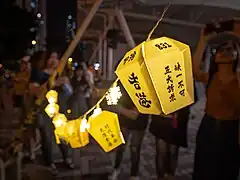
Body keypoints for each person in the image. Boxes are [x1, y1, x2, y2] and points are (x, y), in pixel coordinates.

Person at [192, 29, 240, 180]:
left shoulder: (237, 80)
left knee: (225, 171)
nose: (225, 51)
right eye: (222, 49)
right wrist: (203, 42)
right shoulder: (212, 77)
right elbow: (194, 71)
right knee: (204, 169)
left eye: (230, 49)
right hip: (209, 127)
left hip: (230, 130)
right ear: (216, 56)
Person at [28, 51, 74, 174]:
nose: (53, 60)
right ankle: (49, 162)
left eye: (56, 57)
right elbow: (33, 91)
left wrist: (65, 84)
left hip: (60, 111)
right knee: (47, 137)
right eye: (50, 57)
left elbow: (70, 93)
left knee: (63, 135)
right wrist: (51, 84)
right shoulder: (38, 73)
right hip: (44, 110)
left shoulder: (61, 74)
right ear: (45, 60)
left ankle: (67, 158)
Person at [106, 81, 148, 180]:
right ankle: (116, 168)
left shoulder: (144, 80)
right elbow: (113, 99)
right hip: (124, 119)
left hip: (140, 120)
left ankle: (134, 173)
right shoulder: (120, 81)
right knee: (121, 145)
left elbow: (144, 103)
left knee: (135, 148)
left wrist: (121, 109)